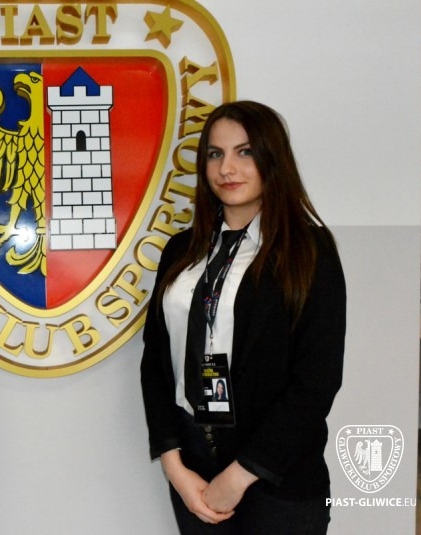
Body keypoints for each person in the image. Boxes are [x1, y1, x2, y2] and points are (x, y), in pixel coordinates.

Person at [140, 101, 345, 534]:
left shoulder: (309, 251)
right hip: (194, 470)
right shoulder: (181, 251)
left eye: (245, 152)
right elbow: (155, 362)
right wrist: (175, 467)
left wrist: (239, 477)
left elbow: (317, 381)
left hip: (277, 475)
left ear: (273, 158)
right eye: (215, 154)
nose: (227, 168)